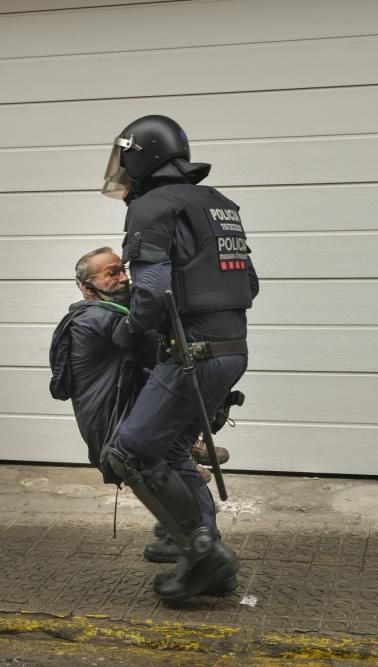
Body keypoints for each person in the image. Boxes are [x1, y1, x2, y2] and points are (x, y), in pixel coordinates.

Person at [98, 115, 260, 602]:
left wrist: (127, 333)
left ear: (140, 156)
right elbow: (248, 284)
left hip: (194, 352)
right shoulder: (220, 206)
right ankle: (205, 560)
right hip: (231, 351)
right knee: (169, 454)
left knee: (129, 452)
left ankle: (206, 554)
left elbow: (150, 291)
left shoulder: (152, 205)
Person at [49, 247, 212, 563]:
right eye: (112, 273)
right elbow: (144, 341)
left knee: (169, 464)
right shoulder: (96, 317)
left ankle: (177, 529)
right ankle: (199, 541)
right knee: (173, 466)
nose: (123, 277)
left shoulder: (109, 313)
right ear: (87, 287)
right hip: (116, 425)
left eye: (123, 269)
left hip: (128, 417)